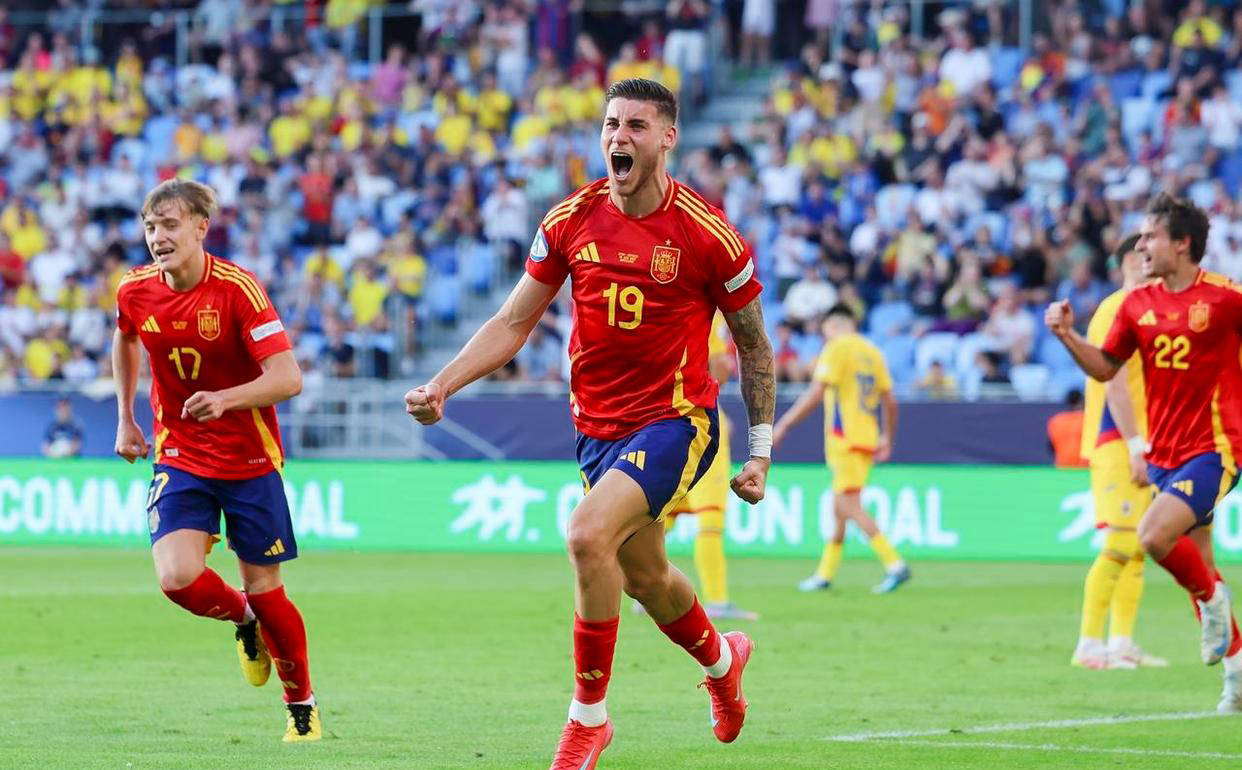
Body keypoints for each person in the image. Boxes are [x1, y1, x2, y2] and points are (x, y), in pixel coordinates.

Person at [404, 79, 775, 770]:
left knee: (584, 535)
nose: (618, 137)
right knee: (647, 579)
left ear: (668, 138)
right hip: (596, 431)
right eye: (611, 125)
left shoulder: (708, 233)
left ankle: (588, 719)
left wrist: (759, 451)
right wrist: (443, 384)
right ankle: (724, 662)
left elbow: (753, 345)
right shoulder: (571, 219)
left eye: (636, 125)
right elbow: (514, 320)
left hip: (676, 420)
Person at [113, 179, 319, 741]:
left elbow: (288, 378)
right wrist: (126, 417)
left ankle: (301, 705)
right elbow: (125, 338)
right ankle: (243, 619)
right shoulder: (134, 289)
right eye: (150, 227)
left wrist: (226, 399)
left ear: (201, 227)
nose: (158, 237)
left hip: (250, 460)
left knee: (268, 590)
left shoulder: (238, 290)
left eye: (170, 225)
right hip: (179, 452)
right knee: (176, 578)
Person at [1046, 193, 1242, 712]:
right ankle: (1238, 675)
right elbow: (1106, 368)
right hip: (1164, 455)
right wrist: (1066, 335)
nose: (1141, 246)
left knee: (1153, 536)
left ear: (1182, 244)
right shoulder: (1136, 305)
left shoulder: (1226, 299)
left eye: (1151, 236)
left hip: (1215, 447)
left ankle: (1211, 602)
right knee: (1200, 563)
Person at [1070, 233, 1166, 670]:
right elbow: (1114, 383)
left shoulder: (1150, 309)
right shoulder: (1116, 308)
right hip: (1119, 442)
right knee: (1121, 541)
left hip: (1147, 441)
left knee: (1139, 546)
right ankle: (1089, 644)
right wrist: (1133, 445)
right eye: (1144, 253)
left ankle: (1122, 641)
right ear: (1129, 260)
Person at [771, 305, 910, 594]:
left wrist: (783, 425)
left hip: (844, 439)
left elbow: (816, 393)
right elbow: (891, 401)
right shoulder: (873, 352)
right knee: (839, 508)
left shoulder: (836, 347)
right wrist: (887, 436)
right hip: (866, 437)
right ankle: (824, 574)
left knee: (849, 506)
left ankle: (894, 563)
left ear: (833, 327)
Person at [660, 313, 759, 620]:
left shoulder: (670, 307)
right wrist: (710, 404)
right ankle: (717, 599)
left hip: (662, 418)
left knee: (663, 512)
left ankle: (646, 588)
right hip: (697, 420)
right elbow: (720, 364)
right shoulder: (707, 310)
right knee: (710, 515)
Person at [1046, 390, 1087, 468]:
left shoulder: (1056, 420)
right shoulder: (1088, 419)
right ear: (1082, 401)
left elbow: (1051, 447)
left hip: (1062, 467)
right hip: (1084, 468)